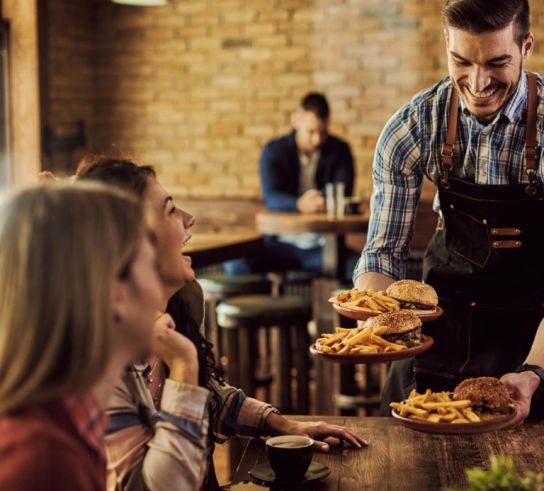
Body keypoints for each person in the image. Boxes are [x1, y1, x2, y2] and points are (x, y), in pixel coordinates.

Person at [356, 0, 544, 422]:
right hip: (431, 341)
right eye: (462, 61)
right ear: (446, 43)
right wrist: (382, 324)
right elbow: (382, 256)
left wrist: (532, 373)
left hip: (528, 349)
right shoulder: (415, 126)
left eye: (497, 63)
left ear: (526, 47)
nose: (478, 82)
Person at [77, 158, 367, 491]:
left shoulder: (183, 303)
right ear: (130, 242)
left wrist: (283, 424)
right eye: (170, 210)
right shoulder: (98, 362)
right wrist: (185, 367)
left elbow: (208, 396)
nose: (190, 218)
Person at [0, 183, 161, 490]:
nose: (159, 290)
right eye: (152, 264)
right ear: (116, 293)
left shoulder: (66, 427)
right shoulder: (41, 463)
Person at [225, 92, 356, 277]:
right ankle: (266, 306)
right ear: (296, 121)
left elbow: (344, 193)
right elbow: (272, 198)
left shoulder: (340, 150)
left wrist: (323, 202)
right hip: (279, 245)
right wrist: (299, 204)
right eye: (311, 132)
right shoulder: (274, 151)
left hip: (325, 247)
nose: (317, 139)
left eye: (323, 132)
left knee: (364, 269)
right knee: (235, 264)